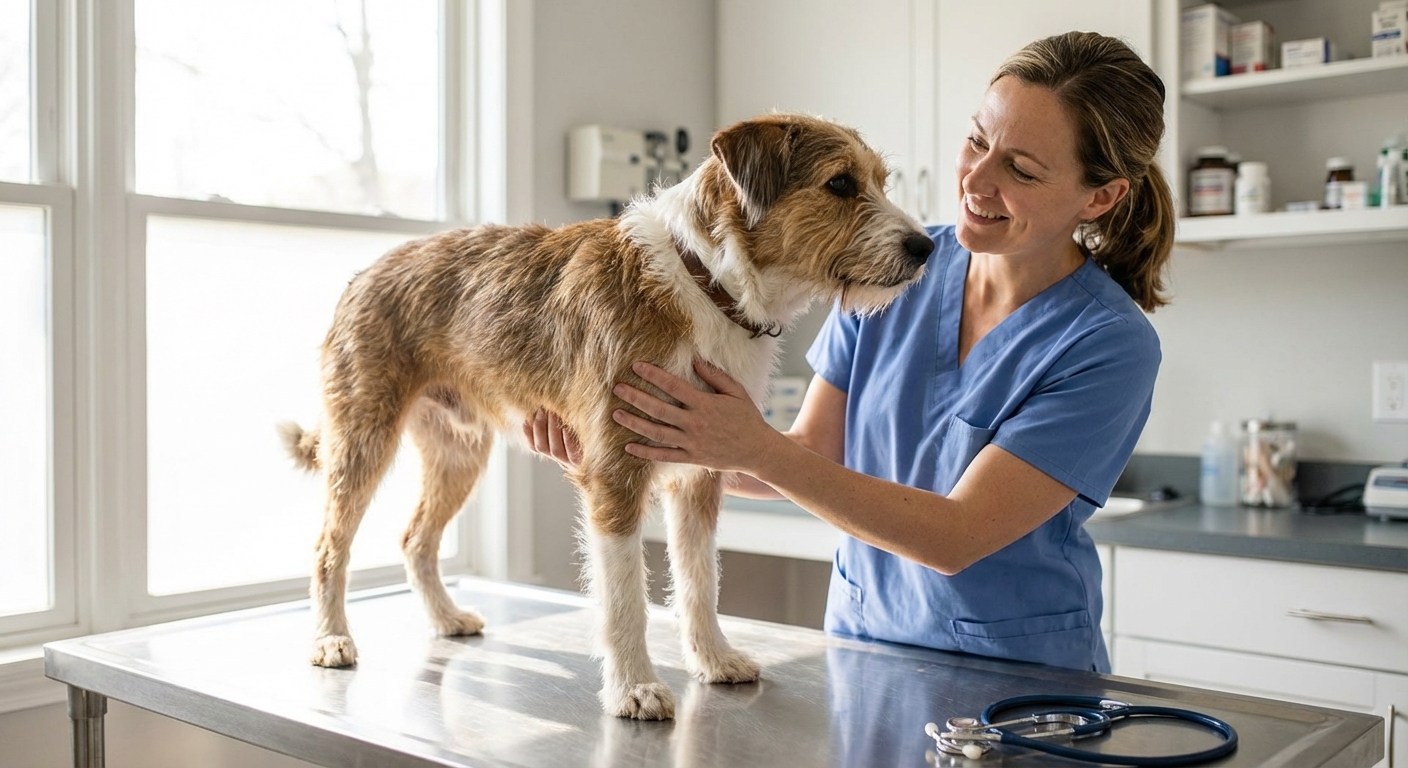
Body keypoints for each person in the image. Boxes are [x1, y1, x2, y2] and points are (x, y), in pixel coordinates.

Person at [527, 31, 1172, 673]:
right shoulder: (892, 270)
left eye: (1022, 169)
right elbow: (804, 455)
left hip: (1020, 682)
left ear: (1102, 195)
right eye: (977, 139)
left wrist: (752, 444)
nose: (975, 178)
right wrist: (633, 440)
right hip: (865, 648)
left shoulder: (1107, 344)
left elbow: (956, 536)